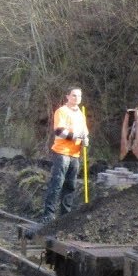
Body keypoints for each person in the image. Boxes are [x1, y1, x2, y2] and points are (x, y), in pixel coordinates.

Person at [42, 87, 89, 222]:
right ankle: (48, 215)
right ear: (67, 96)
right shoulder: (62, 111)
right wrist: (76, 137)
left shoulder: (80, 114)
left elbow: (84, 132)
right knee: (57, 183)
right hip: (62, 152)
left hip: (75, 154)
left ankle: (65, 216)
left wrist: (85, 139)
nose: (76, 99)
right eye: (74, 96)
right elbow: (59, 131)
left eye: (79, 96)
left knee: (70, 185)